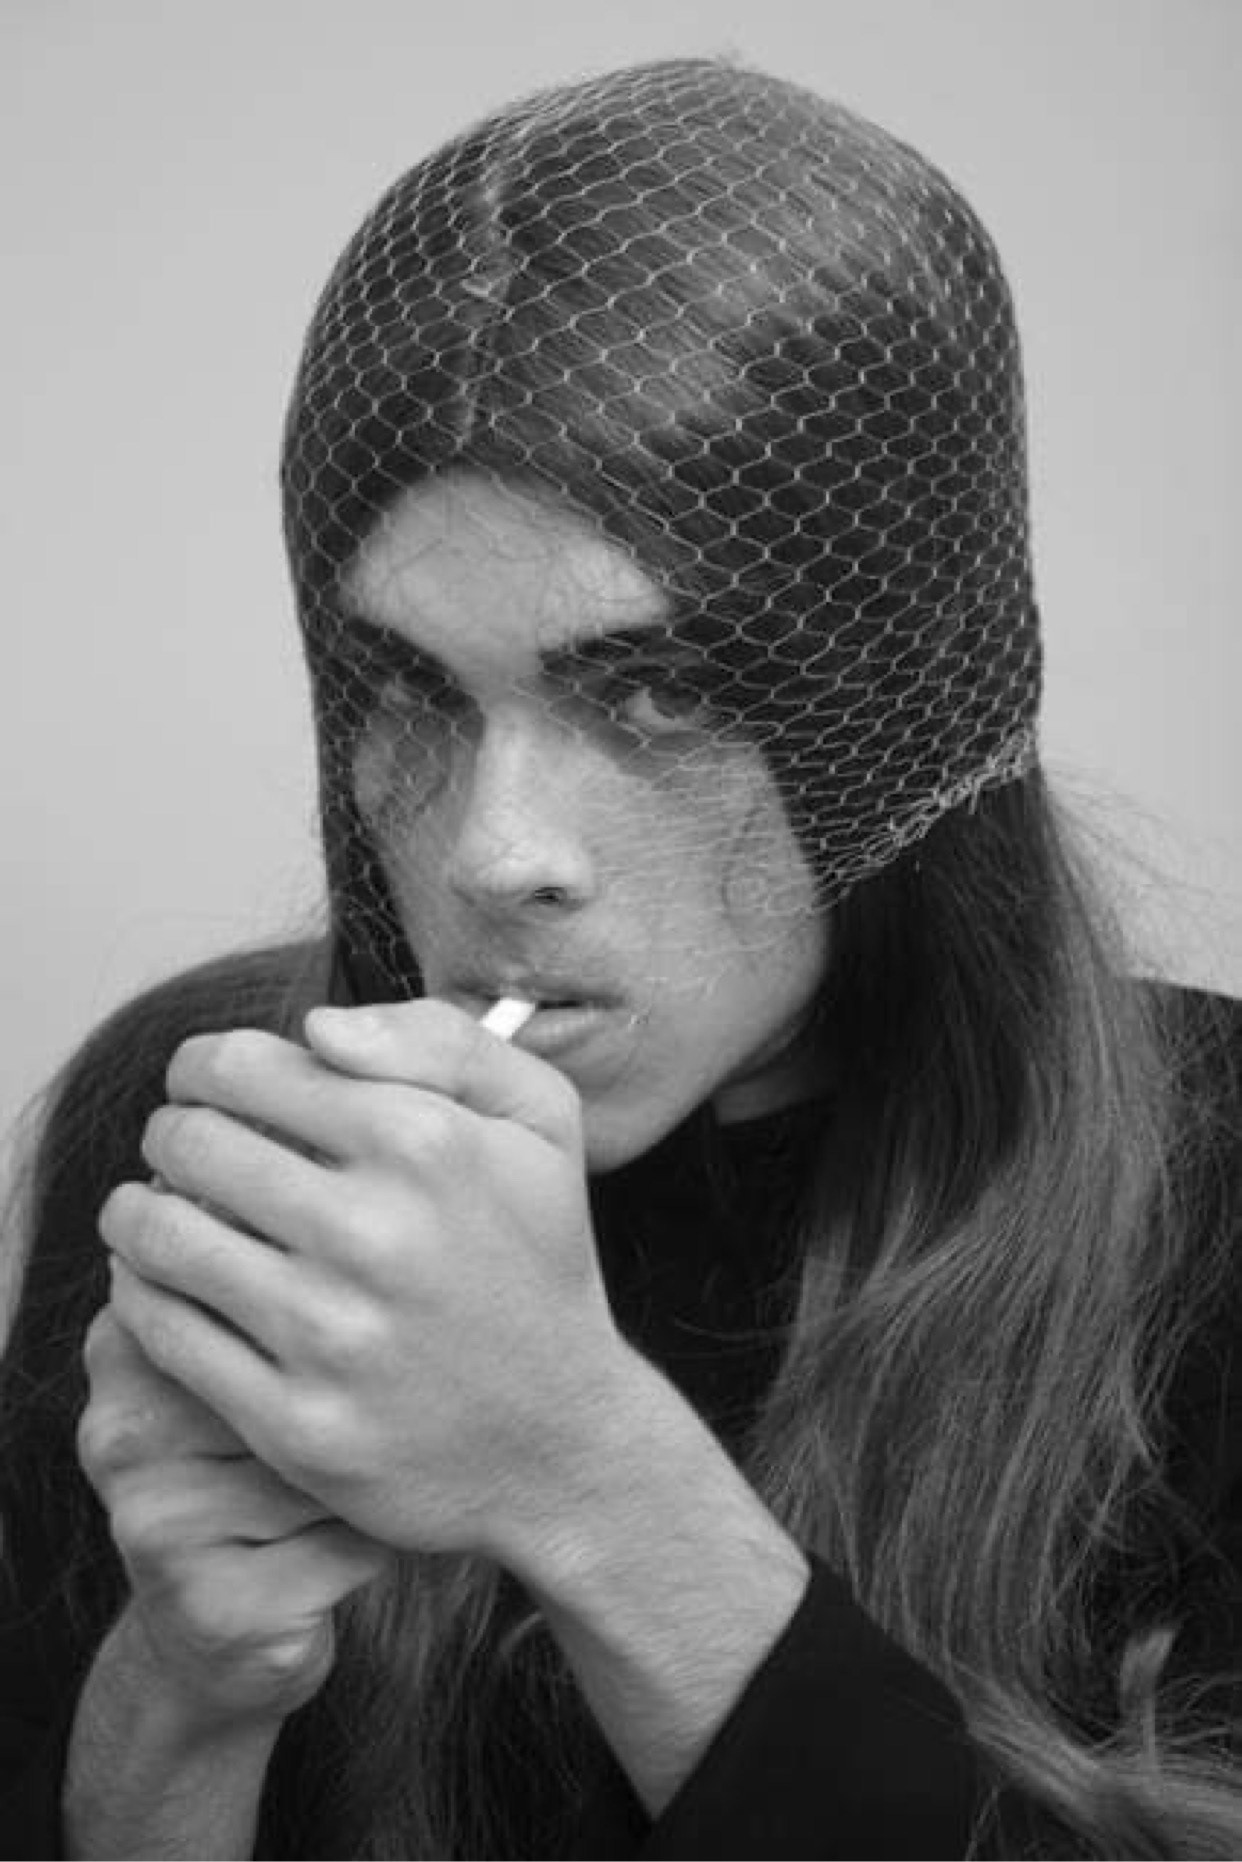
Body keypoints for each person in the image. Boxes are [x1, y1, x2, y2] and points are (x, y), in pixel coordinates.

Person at [1, 55, 1239, 1861]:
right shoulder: (215, 1136)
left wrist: (586, 1473)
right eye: (410, 688)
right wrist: (183, 1682)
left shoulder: (1213, 1179)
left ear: (898, 704)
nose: (495, 849)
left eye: (654, 693)